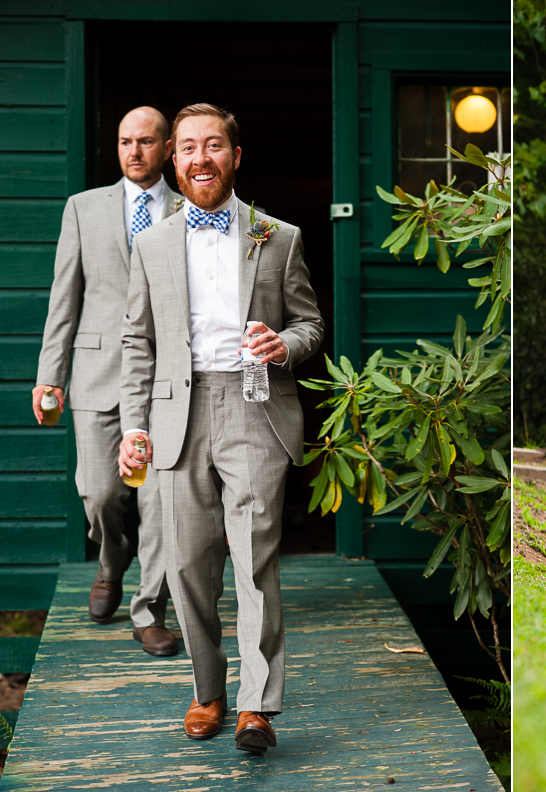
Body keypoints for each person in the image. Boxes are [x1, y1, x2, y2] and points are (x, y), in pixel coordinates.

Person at [118, 103, 324, 753]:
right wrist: (133, 427)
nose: (200, 157)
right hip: (177, 414)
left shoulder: (277, 235)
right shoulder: (149, 243)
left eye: (214, 146)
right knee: (186, 564)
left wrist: (282, 345)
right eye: (187, 148)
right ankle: (208, 691)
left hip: (256, 409)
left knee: (256, 559)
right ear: (172, 161)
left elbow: (311, 327)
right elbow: (136, 343)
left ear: (236, 157)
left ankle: (256, 707)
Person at [34, 107, 180, 654]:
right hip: (96, 374)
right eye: (125, 142)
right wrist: (50, 375)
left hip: (166, 379)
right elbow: (63, 297)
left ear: (167, 149)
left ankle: (149, 611)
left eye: (145, 142)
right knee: (100, 493)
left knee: (160, 500)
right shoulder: (83, 208)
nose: (134, 152)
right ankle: (111, 563)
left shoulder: (190, 207)